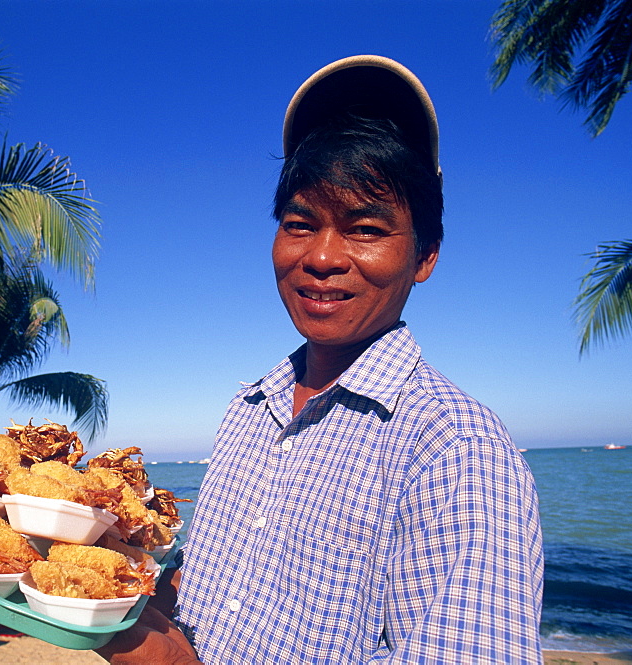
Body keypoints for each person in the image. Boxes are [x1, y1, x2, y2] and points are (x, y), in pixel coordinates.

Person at [97, 54, 544, 664]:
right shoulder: (249, 408)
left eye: (364, 228)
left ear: (424, 256)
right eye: (300, 222)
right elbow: (198, 584)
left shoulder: (456, 447)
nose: (323, 257)